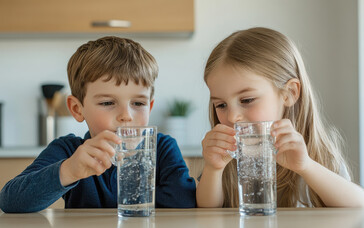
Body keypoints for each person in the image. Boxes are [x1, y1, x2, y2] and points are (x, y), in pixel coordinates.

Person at [0, 36, 196, 213]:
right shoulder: (69, 151)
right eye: (108, 103)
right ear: (77, 109)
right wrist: (69, 170)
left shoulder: (162, 149)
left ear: (150, 107)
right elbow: (10, 201)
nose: (126, 116)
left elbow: (185, 206)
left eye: (138, 103)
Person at [197, 27, 364, 208]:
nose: (232, 116)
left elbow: (357, 205)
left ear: (289, 93)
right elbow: (207, 213)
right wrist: (213, 169)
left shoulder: (318, 154)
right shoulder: (229, 160)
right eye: (221, 105)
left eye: (247, 100)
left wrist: (306, 166)